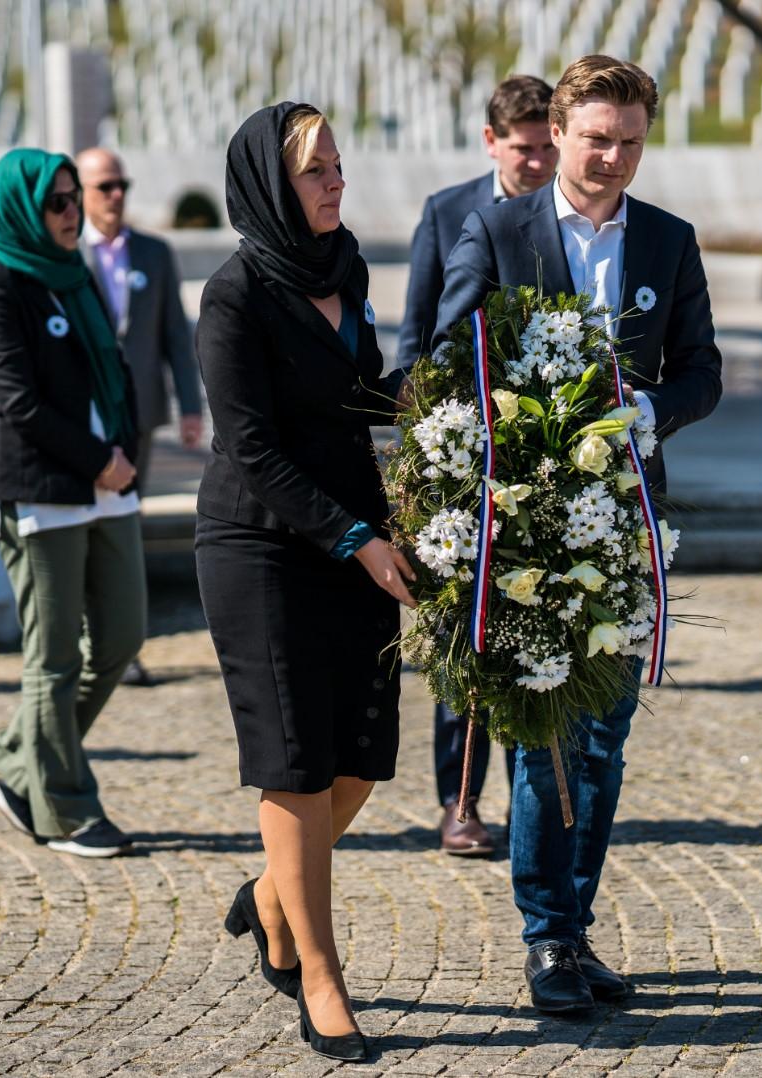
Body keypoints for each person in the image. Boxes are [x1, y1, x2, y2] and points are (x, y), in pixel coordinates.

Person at [430, 55, 723, 1014]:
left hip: (629, 520)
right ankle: (546, 933)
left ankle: (576, 927)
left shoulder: (670, 240)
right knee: (541, 733)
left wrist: (653, 409)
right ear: (557, 132)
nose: (614, 159)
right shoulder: (499, 228)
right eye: (598, 138)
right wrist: (526, 421)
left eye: (632, 141)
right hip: (526, 524)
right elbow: (448, 353)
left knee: (605, 739)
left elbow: (705, 370)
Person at [196, 102, 416, 1063]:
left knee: (361, 756)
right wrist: (358, 540)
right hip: (263, 548)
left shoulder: (348, 263)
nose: (336, 182)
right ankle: (320, 976)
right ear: (272, 188)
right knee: (295, 759)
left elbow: (356, 384)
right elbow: (248, 447)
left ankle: (268, 896)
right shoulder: (234, 296)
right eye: (316, 171)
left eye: (336, 165)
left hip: (354, 536)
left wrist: (428, 394)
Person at [0, 148, 145, 859]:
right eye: (58, 202)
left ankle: (11, 754)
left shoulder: (75, 273)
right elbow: (15, 402)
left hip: (107, 486)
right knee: (55, 659)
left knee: (122, 637)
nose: (73, 212)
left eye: (75, 198)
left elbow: (114, 372)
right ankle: (62, 810)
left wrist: (120, 454)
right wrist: (100, 459)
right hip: (41, 493)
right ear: (23, 209)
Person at [399, 74, 557, 858]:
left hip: (552, 446)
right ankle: (458, 800)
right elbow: (420, 333)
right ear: (492, 142)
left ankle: (547, 791)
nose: (537, 162)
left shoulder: (571, 210)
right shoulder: (447, 211)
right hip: (467, 446)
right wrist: (421, 438)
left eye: (547, 146)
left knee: (541, 618)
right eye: (523, 149)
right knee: (464, 628)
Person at [77, 146, 203, 688]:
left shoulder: (153, 252)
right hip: (83, 417)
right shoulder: (64, 256)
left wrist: (191, 406)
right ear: (80, 193)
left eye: (121, 185)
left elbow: (176, 332)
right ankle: (89, 641)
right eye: (104, 187)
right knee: (83, 523)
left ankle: (125, 645)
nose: (116, 196)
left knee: (126, 523)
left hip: (142, 411)